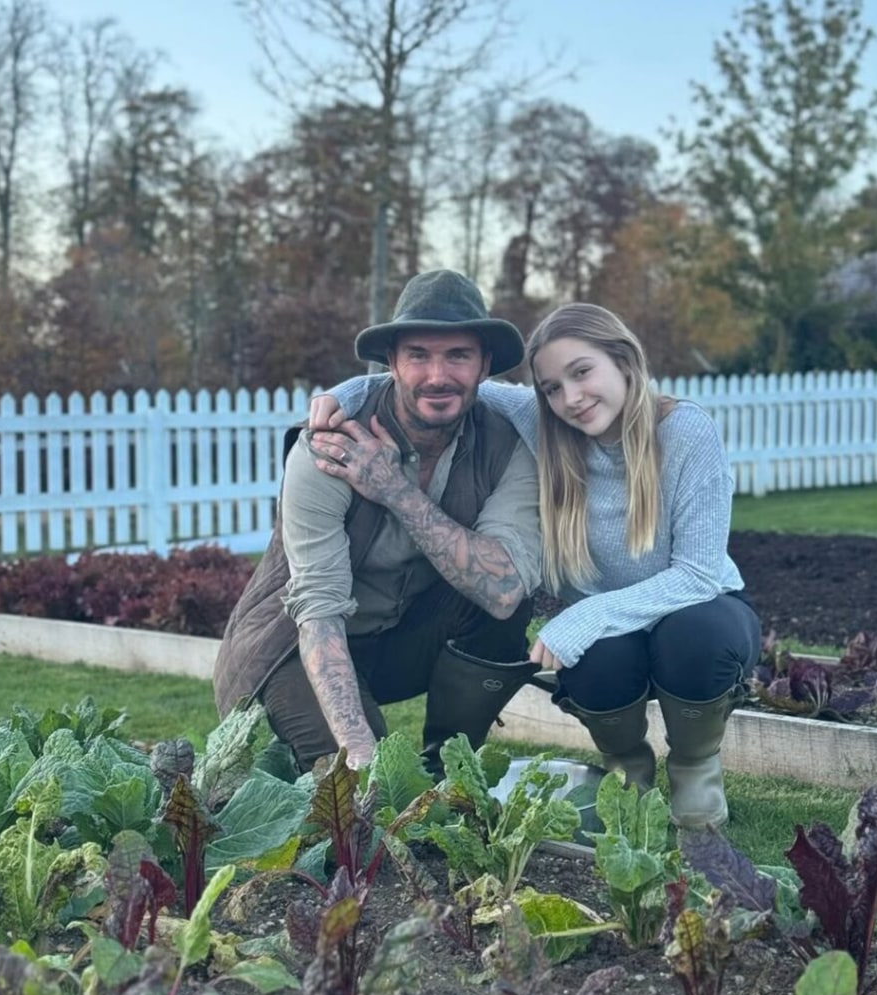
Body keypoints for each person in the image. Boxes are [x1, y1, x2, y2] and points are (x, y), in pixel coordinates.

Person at [313, 302, 761, 828]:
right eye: (551, 387)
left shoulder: (683, 430)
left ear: (623, 360)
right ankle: (628, 771)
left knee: (696, 635)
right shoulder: (544, 423)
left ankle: (694, 768)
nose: (571, 398)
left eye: (582, 372)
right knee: (597, 661)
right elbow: (435, 386)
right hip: (610, 632)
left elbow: (698, 575)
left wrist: (586, 616)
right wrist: (339, 396)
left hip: (694, 608)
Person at [212, 269, 543, 776]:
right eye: (418, 355)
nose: (438, 375)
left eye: (458, 355)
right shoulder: (329, 445)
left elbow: (504, 591)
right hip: (293, 647)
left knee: (506, 603)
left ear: (484, 366)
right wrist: (360, 750)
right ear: (391, 363)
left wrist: (396, 492)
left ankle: (451, 767)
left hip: (397, 642)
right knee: (369, 784)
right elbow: (318, 611)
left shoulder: (506, 444)